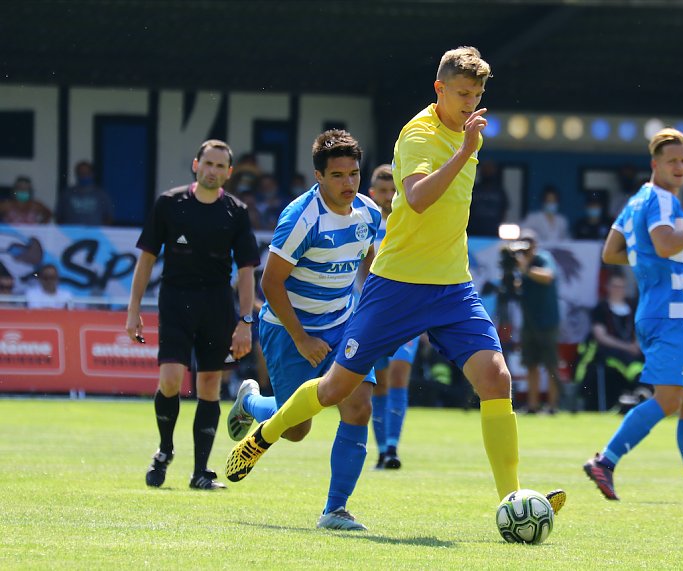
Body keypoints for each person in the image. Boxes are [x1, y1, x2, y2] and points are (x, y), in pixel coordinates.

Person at [226, 46, 565, 516]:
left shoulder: (469, 132)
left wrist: (467, 145)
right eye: (462, 93)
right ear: (439, 89)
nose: (470, 103)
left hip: (453, 286)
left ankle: (511, 500)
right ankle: (265, 433)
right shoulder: (418, 134)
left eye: (477, 94)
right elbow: (419, 198)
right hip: (398, 286)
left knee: (496, 377)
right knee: (333, 390)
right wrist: (465, 150)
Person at [225, 130, 382, 531]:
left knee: (359, 406)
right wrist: (301, 338)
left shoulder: (369, 213)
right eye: (337, 175)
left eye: (354, 173)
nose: (348, 183)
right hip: (289, 330)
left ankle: (335, 510)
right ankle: (251, 402)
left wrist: (373, 315)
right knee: (296, 429)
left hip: (342, 325)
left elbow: (368, 263)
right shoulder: (301, 218)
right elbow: (270, 283)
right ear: (319, 176)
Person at [583, 127, 683, 504]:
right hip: (667, 314)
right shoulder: (664, 200)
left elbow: (611, 252)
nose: (680, 167)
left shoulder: (637, 200)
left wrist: (648, 260)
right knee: (669, 399)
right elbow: (666, 243)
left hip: (661, 313)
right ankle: (605, 461)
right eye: (673, 161)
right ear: (655, 164)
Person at [125, 139, 259, 490]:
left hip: (217, 304)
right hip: (175, 300)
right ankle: (164, 450)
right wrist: (133, 310)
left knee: (210, 385)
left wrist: (245, 321)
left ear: (229, 173)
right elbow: (146, 259)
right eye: (208, 163)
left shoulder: (236, 211)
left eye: (220, 166)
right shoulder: (169, 204)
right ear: (196, 165)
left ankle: (201, 472)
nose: (213, 171)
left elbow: (247, 270)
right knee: (170, 380)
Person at [367, 163, 421, 470]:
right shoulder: (364, 222)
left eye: (393, 190)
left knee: (399, 375)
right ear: (373, 193)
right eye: (383, 191)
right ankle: (380, 449)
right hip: (372, 313)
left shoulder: (407, 220)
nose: (388, 196)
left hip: (406, 312)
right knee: (380, 382)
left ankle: (391, 448)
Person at [574, 272, 645, 411]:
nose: (618, 290)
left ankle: (643, 396)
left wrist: (636, 345)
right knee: (623, 365)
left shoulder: (633, 308)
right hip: (610, 352)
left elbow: (639, 330)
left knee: (644, 363)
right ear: (608, 287)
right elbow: (601, 336)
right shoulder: (601, 308)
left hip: (633, 352)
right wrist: (626, 347)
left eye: (621, 286)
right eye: (615, 286)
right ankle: (631, 393)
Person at [516, 229, 562, 414]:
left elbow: (548, 276)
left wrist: (526, 269)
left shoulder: (543, 258)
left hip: (547, 321)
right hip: (529, 321)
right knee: (531, 364)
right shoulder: (520, 262)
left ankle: (552, 406)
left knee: (551, 364)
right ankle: (532, 405)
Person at [55, 160, 113, 226]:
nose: (84, 176)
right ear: (77, 174)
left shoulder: (101, 194)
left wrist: (102, 230)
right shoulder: (67, 193)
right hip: (71, 231)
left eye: (86, 173)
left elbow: (108, 216)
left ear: (92, 174)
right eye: (81, 173)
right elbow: (59, 216)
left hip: (94, 231)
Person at [467, 160, 508, 237]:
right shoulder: (474, 189)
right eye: (485, 170)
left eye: (490, 170)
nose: (488, 173)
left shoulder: (499, 191)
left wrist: (501, 225)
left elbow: (504, 209)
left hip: (493, 230)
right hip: (473, 230)